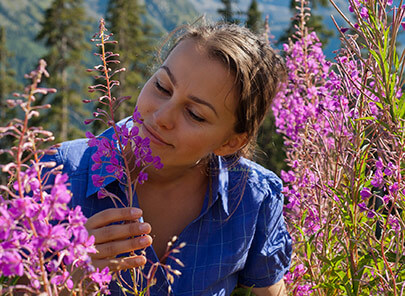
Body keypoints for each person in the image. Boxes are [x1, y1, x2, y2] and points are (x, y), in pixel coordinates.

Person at [45, 23, 292, 295]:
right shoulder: (58, 175)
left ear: (229, 142)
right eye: (162, 87)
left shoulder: (252, 198)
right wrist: (66, 280)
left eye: (195, 114)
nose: (162, 117)